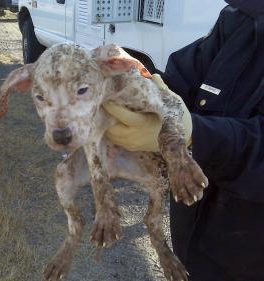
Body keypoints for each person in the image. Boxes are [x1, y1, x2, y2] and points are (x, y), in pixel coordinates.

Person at [103, 1, 264, 280]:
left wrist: (192, 134)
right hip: (195, 248)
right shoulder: (241, 18)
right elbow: (181, 81)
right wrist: (139, 85)